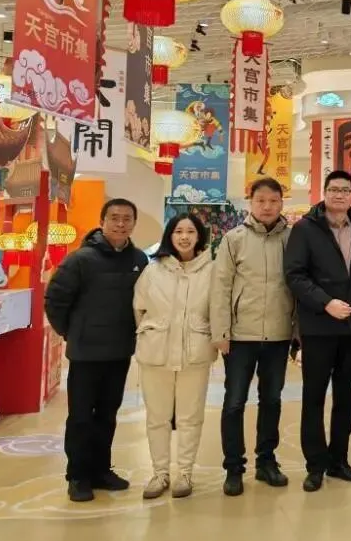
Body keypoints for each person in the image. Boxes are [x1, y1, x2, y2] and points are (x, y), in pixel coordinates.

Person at [45, 198, 149, 503]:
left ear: (133, 223)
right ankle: (78, 476)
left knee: (107, 414)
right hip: (85, 354)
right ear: (102, 221)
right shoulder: (80, 259)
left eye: (127, 218)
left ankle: (101, 471)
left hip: (119, 352)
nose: (120, 224)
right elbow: (55, 300)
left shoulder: (139, 260)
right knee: (80, 417)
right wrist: (71, 332)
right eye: (114, 218)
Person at [285, 169, 351, 492]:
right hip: (318, 326)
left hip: (350, 328)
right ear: (324, 192)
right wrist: (325, 303)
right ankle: (315, 465)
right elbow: (295, 275)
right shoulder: (305, 229)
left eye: (345, 190)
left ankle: (339, 460)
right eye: (333, 189)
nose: (339, 195)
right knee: (314, 397)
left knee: (345, 398)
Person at [212, 178, 293, 496]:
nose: (267, 206)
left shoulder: (293, 239)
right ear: (251, 203)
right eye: (261, 200)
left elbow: (299, 286)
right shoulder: (233, 239)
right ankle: (233, 468)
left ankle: (266, 462)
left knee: (271, 401)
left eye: (273, 200)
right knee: (234, 402)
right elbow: (220, 287)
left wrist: (296, 333)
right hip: (240, 336)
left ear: (281, 203)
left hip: (278, 334)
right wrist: (221, 332)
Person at [134, 214, 217, 500]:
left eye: (190, 231)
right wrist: (152, 331)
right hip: (156, 352)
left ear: (199, 236)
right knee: (157, 417)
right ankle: (159, 473)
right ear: (170, 235)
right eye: (178, 231)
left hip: (195, 353)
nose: (184, 237)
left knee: (190, 417)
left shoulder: (212, 271)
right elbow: (139, 308)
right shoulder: (152, 271)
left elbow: (217, 310)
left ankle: (184, 473)